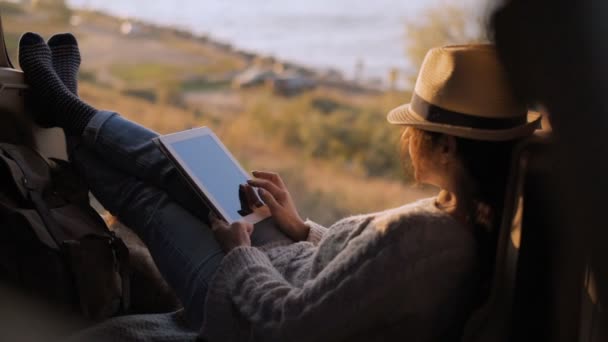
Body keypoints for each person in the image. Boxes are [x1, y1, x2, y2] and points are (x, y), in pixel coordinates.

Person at [17, 32, 540, 341]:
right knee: (183, 169)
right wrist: (301, 226)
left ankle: (67, 110)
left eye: (416, 130)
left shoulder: (431, 240)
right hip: (280, 259)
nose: (409, 140)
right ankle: (69, 109)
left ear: (445, 147)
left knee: (150, 202)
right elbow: (360, 284)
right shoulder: (459, 220)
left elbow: (290, 327)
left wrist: (240, 253)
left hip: (242, 303)